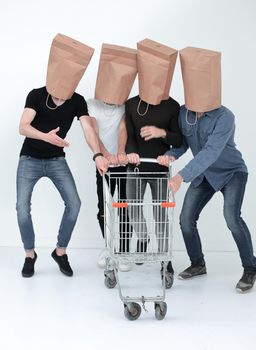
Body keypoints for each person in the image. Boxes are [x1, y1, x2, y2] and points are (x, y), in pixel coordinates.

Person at [157, 46, 256, 292]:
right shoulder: (183, 113)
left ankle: (250, 268)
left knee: (232, 219)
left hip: (231, 172)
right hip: (203, 175)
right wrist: (170, 155)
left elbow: (211, 152)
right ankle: (197, 264)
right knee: (186, 220)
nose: (198, 108)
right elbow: (182, 144)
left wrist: (181, 176)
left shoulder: (225, 117)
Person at [17, 87, 108, 278]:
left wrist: (97, 154)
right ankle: (29, 255)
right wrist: (46, 137)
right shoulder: (37, 95)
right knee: (22, 208)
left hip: (56, 160)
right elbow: (23, 126)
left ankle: (60, 252)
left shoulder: (77, 100)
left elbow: (88, 128)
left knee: (74, 204)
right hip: (29, 159)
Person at [87, 98, 132, 271]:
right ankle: (109, 248)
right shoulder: (92, 104)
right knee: (103, 209)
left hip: (123, 163)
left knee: (124, 208)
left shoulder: (125, 104)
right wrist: (105, 154)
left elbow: (123, 128)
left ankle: (124, 252)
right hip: (103, 165)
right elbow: (93, 130)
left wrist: (120, 152)